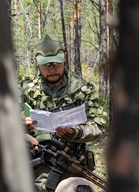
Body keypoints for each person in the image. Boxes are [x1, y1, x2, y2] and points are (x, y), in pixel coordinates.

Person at [21, 34, 102, 192]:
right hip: (37, 162)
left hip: (73, 162)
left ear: (64, 58)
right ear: (37, 63)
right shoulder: (26, 89)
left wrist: (75, 133)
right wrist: (23, 122)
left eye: (56, 64)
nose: (52, 69)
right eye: (46, 65)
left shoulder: (83, 88)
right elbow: (5, 120)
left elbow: (98, 126)